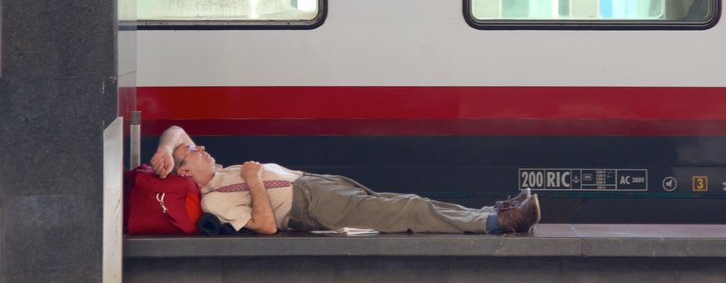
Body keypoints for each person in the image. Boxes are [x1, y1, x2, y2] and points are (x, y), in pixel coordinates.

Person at [149, 126, 540, 235]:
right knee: (408, 209)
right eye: (192, 151)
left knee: (403, 203)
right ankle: (500, 222)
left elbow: (175, 130)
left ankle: (489, 214)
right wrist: (253, 180)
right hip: (311, 206)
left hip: (316, 186)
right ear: (185, 172)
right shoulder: (215, 200)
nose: (200, 147)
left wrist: (166, 148)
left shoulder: (213, 171)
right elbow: (265, 227)